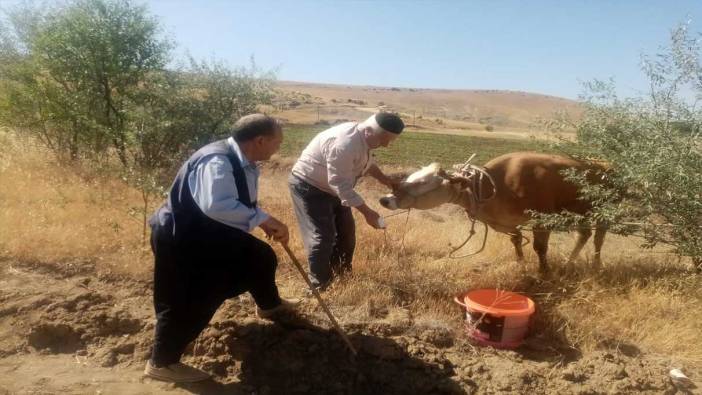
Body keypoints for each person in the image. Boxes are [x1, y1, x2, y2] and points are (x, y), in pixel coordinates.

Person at [144, 114, 297, 383]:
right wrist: (264, 219)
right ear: (260, 140)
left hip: (209, 233)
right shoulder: (218, 161)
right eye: (277, 142)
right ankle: (162, 363)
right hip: (183, 237)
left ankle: (269, 306)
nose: (278, 148)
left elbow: (237, 204)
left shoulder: (244, 161)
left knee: (259, 257)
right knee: (191, 299)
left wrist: (259, 220)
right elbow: (216, 205)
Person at [288, 112, 404, 290]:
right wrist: (368, 212)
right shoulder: (344, 144)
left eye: (390, 141)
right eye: (384, 139)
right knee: (322, 236)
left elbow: (366, 163)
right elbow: (340, 184)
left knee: (346, 233)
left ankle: (342, 274)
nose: (387, 145)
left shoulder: (365, 138)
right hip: (310, 187)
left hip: (332, 188)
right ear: (368, 131)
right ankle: (320, 285)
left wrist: (386, 180)